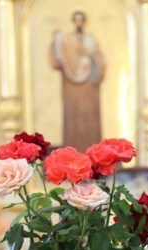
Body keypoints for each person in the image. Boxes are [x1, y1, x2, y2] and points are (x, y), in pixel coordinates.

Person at [50, 11, 105, 150]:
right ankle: (71, 151)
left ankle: (93, 151)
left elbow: (100, 59)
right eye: (76, 20)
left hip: (89, 88)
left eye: (81, 20)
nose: (79, 23)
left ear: (84, 22)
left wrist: (90, 55)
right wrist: (55, 42)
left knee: (89, 119)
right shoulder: (66, 40)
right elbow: (58, 58)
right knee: (73, 119)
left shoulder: (91, 40)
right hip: (71, 89)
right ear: (74, 22)